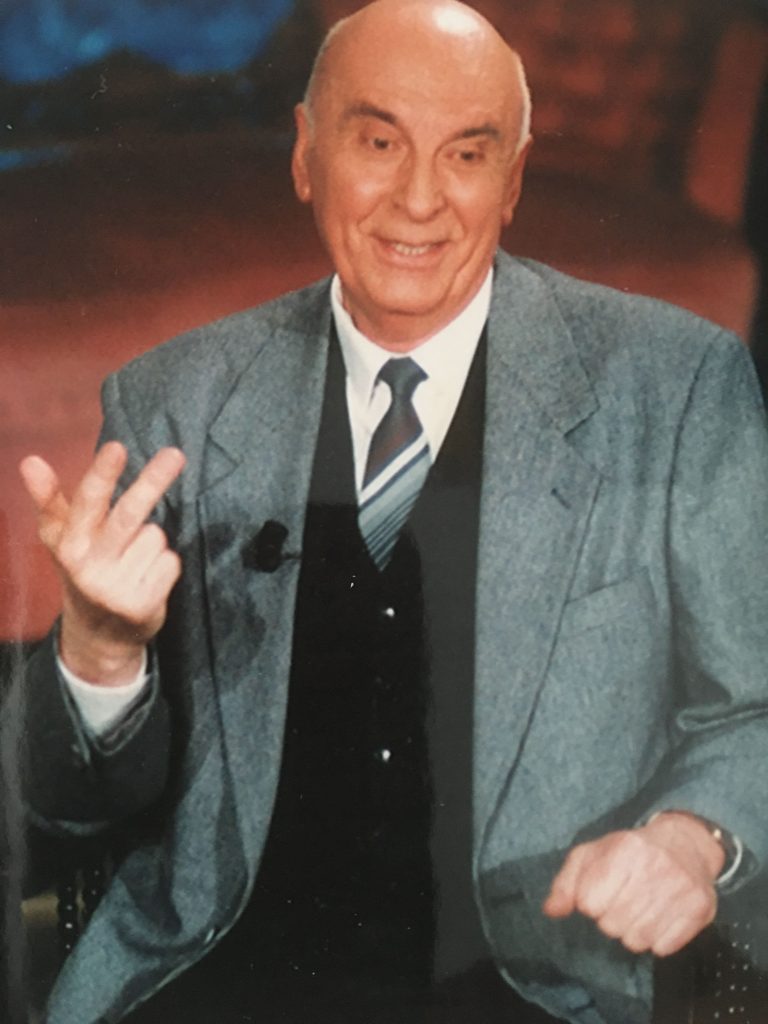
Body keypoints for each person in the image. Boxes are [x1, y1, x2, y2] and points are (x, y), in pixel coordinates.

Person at [17, 2, 768, 1022]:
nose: (420, 200)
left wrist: (690, 838)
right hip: (225, 976)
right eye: (378, 143)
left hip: (534, 987)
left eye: (468, 154)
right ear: (306, 156)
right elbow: (63, 812)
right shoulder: (174, 400)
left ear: (513, 181)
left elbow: (753, 707)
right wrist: (101, 654)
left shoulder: (678, 388)